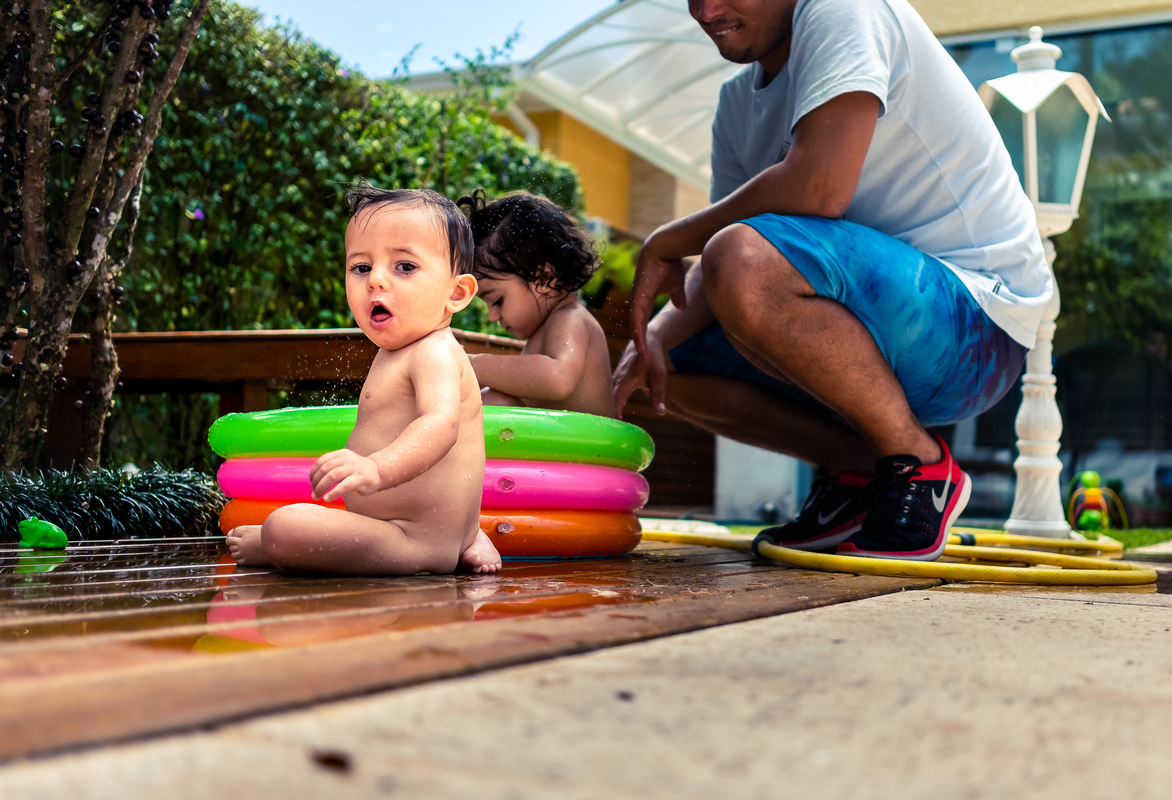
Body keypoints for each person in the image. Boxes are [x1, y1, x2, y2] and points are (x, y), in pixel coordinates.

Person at [613, 0, 1052, 561]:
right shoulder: (734, 105)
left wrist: (666, 241)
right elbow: (731, 264)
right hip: (875, 323)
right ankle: (858, 472)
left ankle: (919, 466)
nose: (706, 9)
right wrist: (649, 341)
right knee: (664, 364)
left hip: (977, 328)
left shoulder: (843, 8)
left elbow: (819, 188)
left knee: (740, 256)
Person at [227, 185, 502, 575]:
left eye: (404, 267)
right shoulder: (401, 348)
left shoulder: (433, 351)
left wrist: (377, 468)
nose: (375, 280)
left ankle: (448, 541)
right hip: (407, 529)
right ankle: (465, 535)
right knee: (293, 523)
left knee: (282, 528)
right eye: (361, 267)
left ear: (456, 293)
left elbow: (441, 424)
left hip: (409, 539)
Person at [459, 191, 616, 418]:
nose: (492, 316)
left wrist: (473, 365)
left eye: (497, 301)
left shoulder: (571, 319)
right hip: (569, 447)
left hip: (594, 451)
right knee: (492, 400)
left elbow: (557, 378)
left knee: (497, 402)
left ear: (543, 278)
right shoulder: (548, 326)